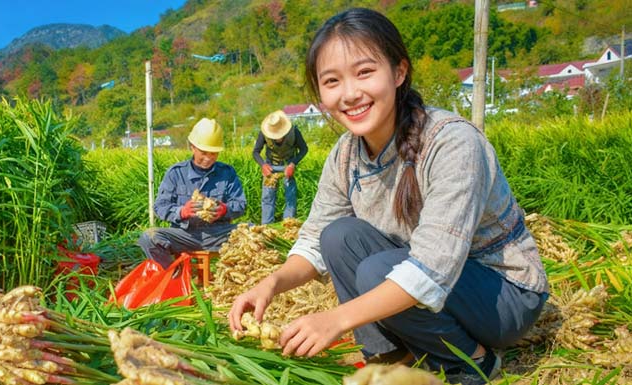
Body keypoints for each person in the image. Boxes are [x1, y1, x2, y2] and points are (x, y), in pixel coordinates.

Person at [228, 8, 548, 385]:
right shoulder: (346, 153)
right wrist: (271, 283)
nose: (350, 94)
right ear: (320, 94)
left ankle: (470, 362)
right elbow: (316, 238)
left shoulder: (451, 142)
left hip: (501, 297)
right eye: (332, 81)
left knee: (377, 271)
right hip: (429, 281)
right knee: (339, 237)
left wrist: (336, 319)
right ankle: (391, 355)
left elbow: (430, 268)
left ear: (398, 72)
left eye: (365, 72)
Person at [138, 118, 247, 269]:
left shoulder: (227, 172)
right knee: (148, 238)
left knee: (255, 232)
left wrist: (224, 210)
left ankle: (238, 277)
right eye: (203, 152)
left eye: (214, 153)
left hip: (218, 234)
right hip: (185, 234)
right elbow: (160, 207)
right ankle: (174, 275)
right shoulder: (175, 173)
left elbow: (240, 204)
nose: (208, 158)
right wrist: (182, 212)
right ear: (192, 147)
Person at [252, 110, 308, 224]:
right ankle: (267, 228)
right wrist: (263, 165)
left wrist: (293, 164)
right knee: (267, 198)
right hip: (270, 166)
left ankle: (288, 225)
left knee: (290, 198)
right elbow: (255, 152)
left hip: (288, 166)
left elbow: (304, 149)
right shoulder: (264, 133)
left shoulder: (294, 131)